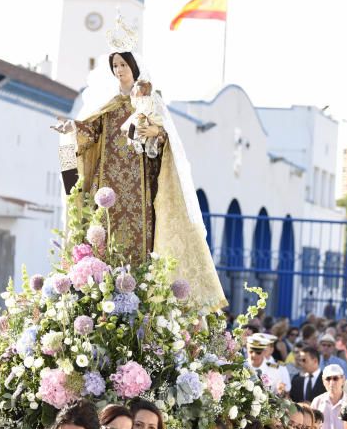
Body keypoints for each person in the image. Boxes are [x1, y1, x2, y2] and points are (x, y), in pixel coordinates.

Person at [57, 43, 224, 306]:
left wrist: (154, 133)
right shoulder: (108, 105)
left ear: (133, 67)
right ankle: (102, 294)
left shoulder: (148, 101)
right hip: (106, 188)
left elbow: (161, 140)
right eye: (115, 66)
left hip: (138, 191)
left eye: (123, 65)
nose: (119, 70)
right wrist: (71, 130)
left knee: (141, 244)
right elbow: (89, 134)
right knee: (103, 239)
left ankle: (141, 298)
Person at [311, 364, 347, 429]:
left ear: (343, 379)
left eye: (335, 378)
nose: (332, 383)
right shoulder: (317, 402)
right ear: (323, 381)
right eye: (328, 379)